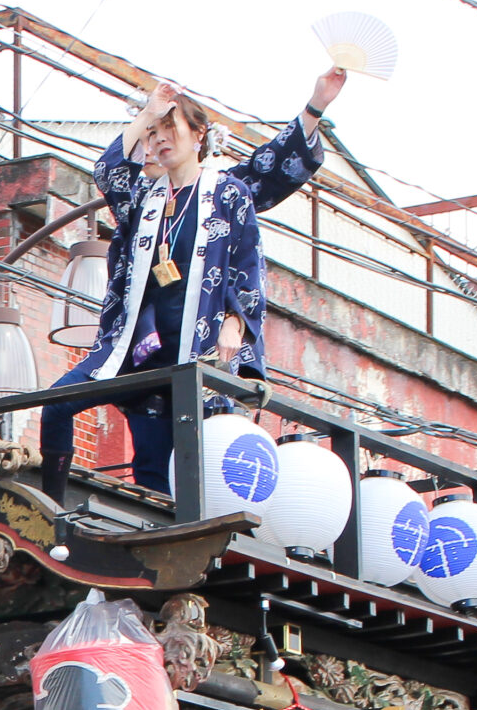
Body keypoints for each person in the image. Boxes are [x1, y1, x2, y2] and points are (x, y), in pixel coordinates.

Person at [31, 74, 341, 502]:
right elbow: (108, 170)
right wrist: (149, 113)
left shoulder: (227, 193)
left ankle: (173, 546)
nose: (158, 142)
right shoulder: (142, 198)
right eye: (152, 135)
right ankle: (53, 505)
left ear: (199, 135)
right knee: (61, 403)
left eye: (169, 131)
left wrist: (236, 322)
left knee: (177, 466)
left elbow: (246, 261)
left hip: (197, 343)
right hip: (139, 346)